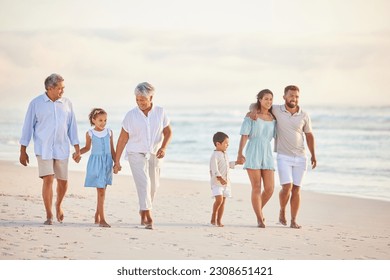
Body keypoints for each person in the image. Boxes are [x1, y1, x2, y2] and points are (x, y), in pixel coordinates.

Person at [250, 85, 317, 229]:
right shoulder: (276, 110)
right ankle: (281, 210)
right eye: (291, 95)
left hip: (301, 157)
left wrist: (313, 155)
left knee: (296, 189)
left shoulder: (304, 115)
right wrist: (253, 110)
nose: (294, 98)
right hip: (283, 156)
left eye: (297, 96)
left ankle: (293, 220)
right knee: (287, 187)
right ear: (284, 97)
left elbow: (309, 135)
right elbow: (258, 104)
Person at [19, 73, 80, 225]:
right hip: (43, 148)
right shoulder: (36, 103)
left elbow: (72, 127)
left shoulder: (67, 103)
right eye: (60, 88)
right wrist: (23, 150)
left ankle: (58, 205)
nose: (62, 91)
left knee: (63, 182)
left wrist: (77, 148)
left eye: (63, 88)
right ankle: (48, 214)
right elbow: (27, 127)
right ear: (50, 88)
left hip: (61, 148)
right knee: (48, 179)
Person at [113, 82, 172, 230]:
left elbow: (168, 132)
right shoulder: (130, 115)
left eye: (143, 100)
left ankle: (143, 208)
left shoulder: (160, 112)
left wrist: (164, 147)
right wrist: (117, 161)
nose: (140, 103)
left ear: (151, 97)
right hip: (135, 153)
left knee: (154, 186)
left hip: (155, 153)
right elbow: (122, 139)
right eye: (137, 99)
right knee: (144, 184)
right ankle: (148, 215)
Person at [237, 89, 276, 228]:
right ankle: (260, 219)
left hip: (267, 153)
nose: (269, 101)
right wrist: (240, 153)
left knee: (270, 188)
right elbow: (244, 135)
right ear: (259, 100)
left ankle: (258, 209)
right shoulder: (251, 115)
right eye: (266, 99)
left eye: (271, 99)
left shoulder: (273, 118)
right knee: (257, 187)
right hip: (253, 150)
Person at [75, 108, 115, 228]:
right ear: (94, 120)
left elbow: (112, 149)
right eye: (100, 120)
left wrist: (117, 163)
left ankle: (97, 214)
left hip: (107, 163)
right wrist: (77, 153)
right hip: (96, 164)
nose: (103, 123)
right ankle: (102, 219)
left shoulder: (109, 132)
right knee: (101, 190)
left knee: (103, 190)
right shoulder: (90, 133)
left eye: (105, 120)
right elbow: (87, 148)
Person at [209, 132, 239, 227]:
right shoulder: (215, 155)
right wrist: (220, 178)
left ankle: (219, 220)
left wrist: (236, 162)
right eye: (226, 143)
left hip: (226, 183)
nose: (228, 145)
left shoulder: (225, 154)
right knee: (219, 200)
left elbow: (227, 165)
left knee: (223, 202)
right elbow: (214, 169)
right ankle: (213, 215)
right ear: (218, 144)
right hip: (217, 183)